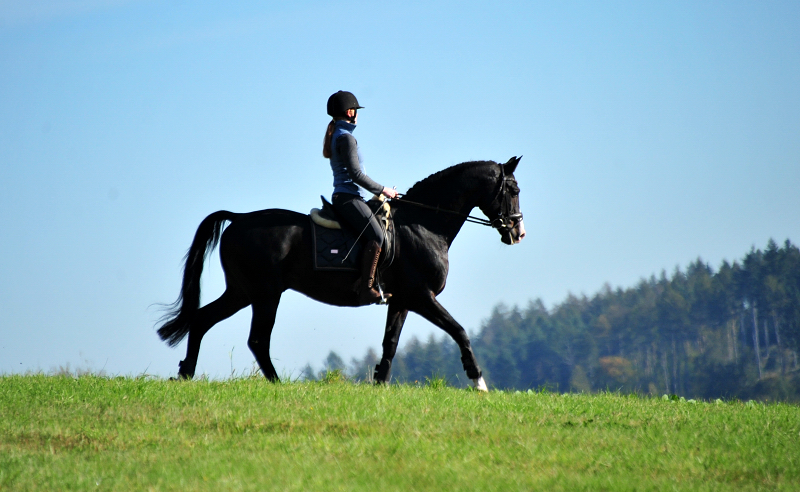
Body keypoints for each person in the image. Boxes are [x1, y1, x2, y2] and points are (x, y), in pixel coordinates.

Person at [323, 90, 398, 304]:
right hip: (348, 198)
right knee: (377, 236)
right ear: (350, 112)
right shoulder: (346, 138)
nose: (357, 114)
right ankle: (367, 289)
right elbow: (356, 175)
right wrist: (385, 190)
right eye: (356, 110)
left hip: (348, 197)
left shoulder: (338, 134)